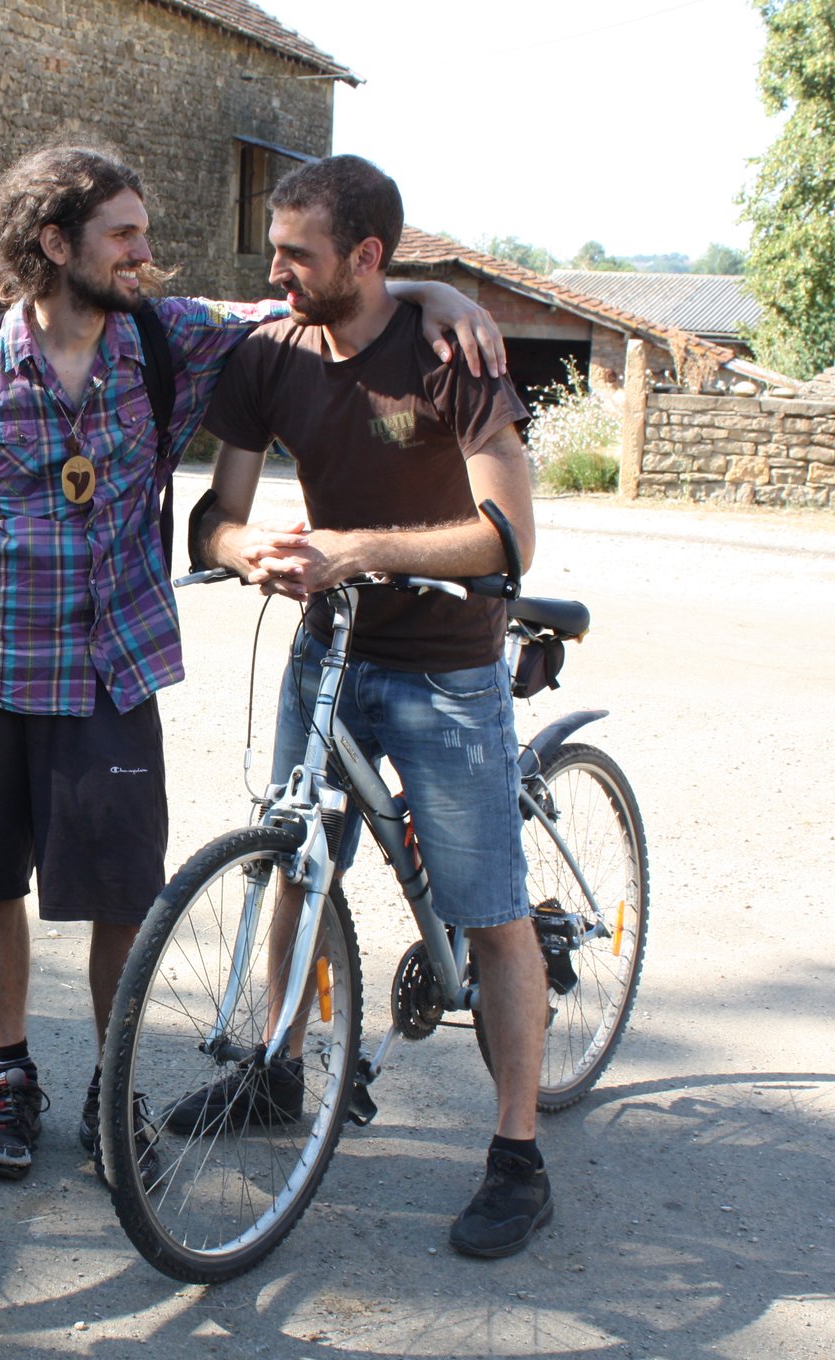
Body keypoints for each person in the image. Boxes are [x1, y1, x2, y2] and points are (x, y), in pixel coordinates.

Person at [0, 144, 506, 1184]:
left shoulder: (170, 335)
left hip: (112, 667)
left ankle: (110, 1089)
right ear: (54, 244)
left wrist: (432, 291)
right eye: (123, 234)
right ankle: (10, 1076)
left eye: (144, 232)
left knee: (124, 894)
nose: (144, 253)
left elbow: (312, 300)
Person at [191, 153, 550, 1259]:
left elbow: (507, 539)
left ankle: (518, 1156)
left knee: (488, 911)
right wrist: (243, 547)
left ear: (365, 256)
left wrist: (359, 548)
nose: (275, 272)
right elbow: (213, 513)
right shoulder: (269, 353)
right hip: (328, 652)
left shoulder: (449, 353)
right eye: (273, 250)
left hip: (445, 665)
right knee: (295, 863)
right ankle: (277, 1071)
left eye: (296, 254)